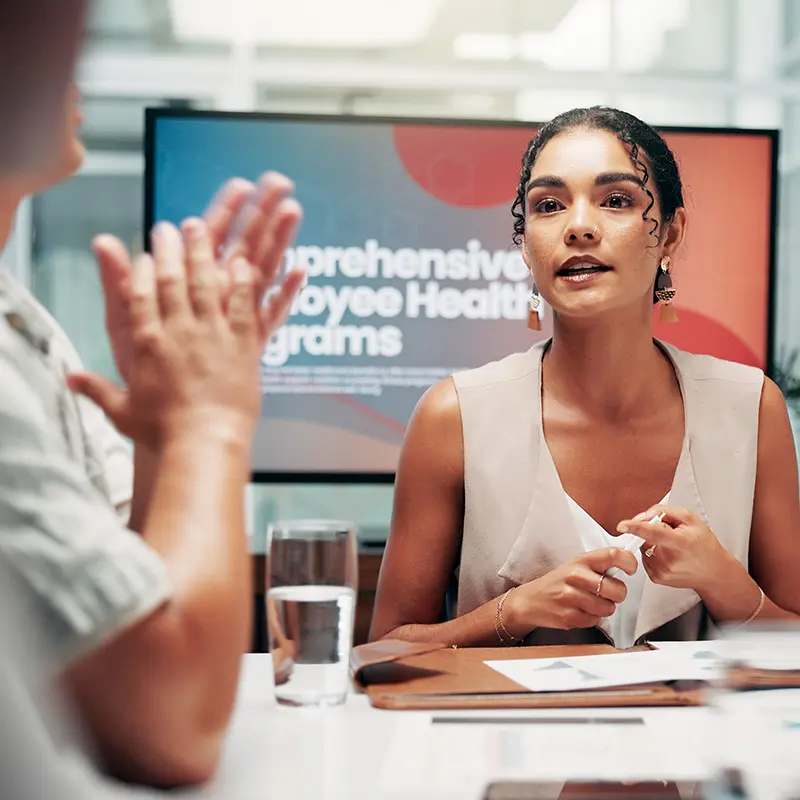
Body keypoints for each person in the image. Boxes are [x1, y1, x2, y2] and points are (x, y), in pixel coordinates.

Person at [370, 106, 800, 650]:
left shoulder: (751, 406)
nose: (578, 226)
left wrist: (721, 580)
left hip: (704, 736)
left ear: (670, 234)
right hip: (506, 736)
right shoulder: (452, 416)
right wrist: (512, 610)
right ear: (525, 243)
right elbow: (381, 651)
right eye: (548, 206)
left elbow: (794, 644)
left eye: (616, 200)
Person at [0, 75, 305, 789]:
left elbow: (129, 596)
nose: (77, 66)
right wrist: (211, 421)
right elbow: (173, 724)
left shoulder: (26, 322)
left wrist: (163, 435)